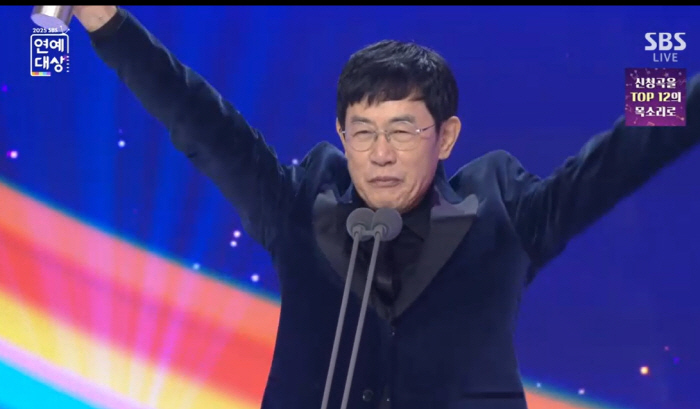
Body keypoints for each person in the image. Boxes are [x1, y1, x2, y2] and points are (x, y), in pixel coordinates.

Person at [74, 6, 699, 409]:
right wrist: (108, 22)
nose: (379, 154)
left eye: (402, 130)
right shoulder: (297, 207)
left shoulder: (505, 219)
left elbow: (626, 152)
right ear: (341, 136)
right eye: (363, 132)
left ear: (446, 137)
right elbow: (199, 121)